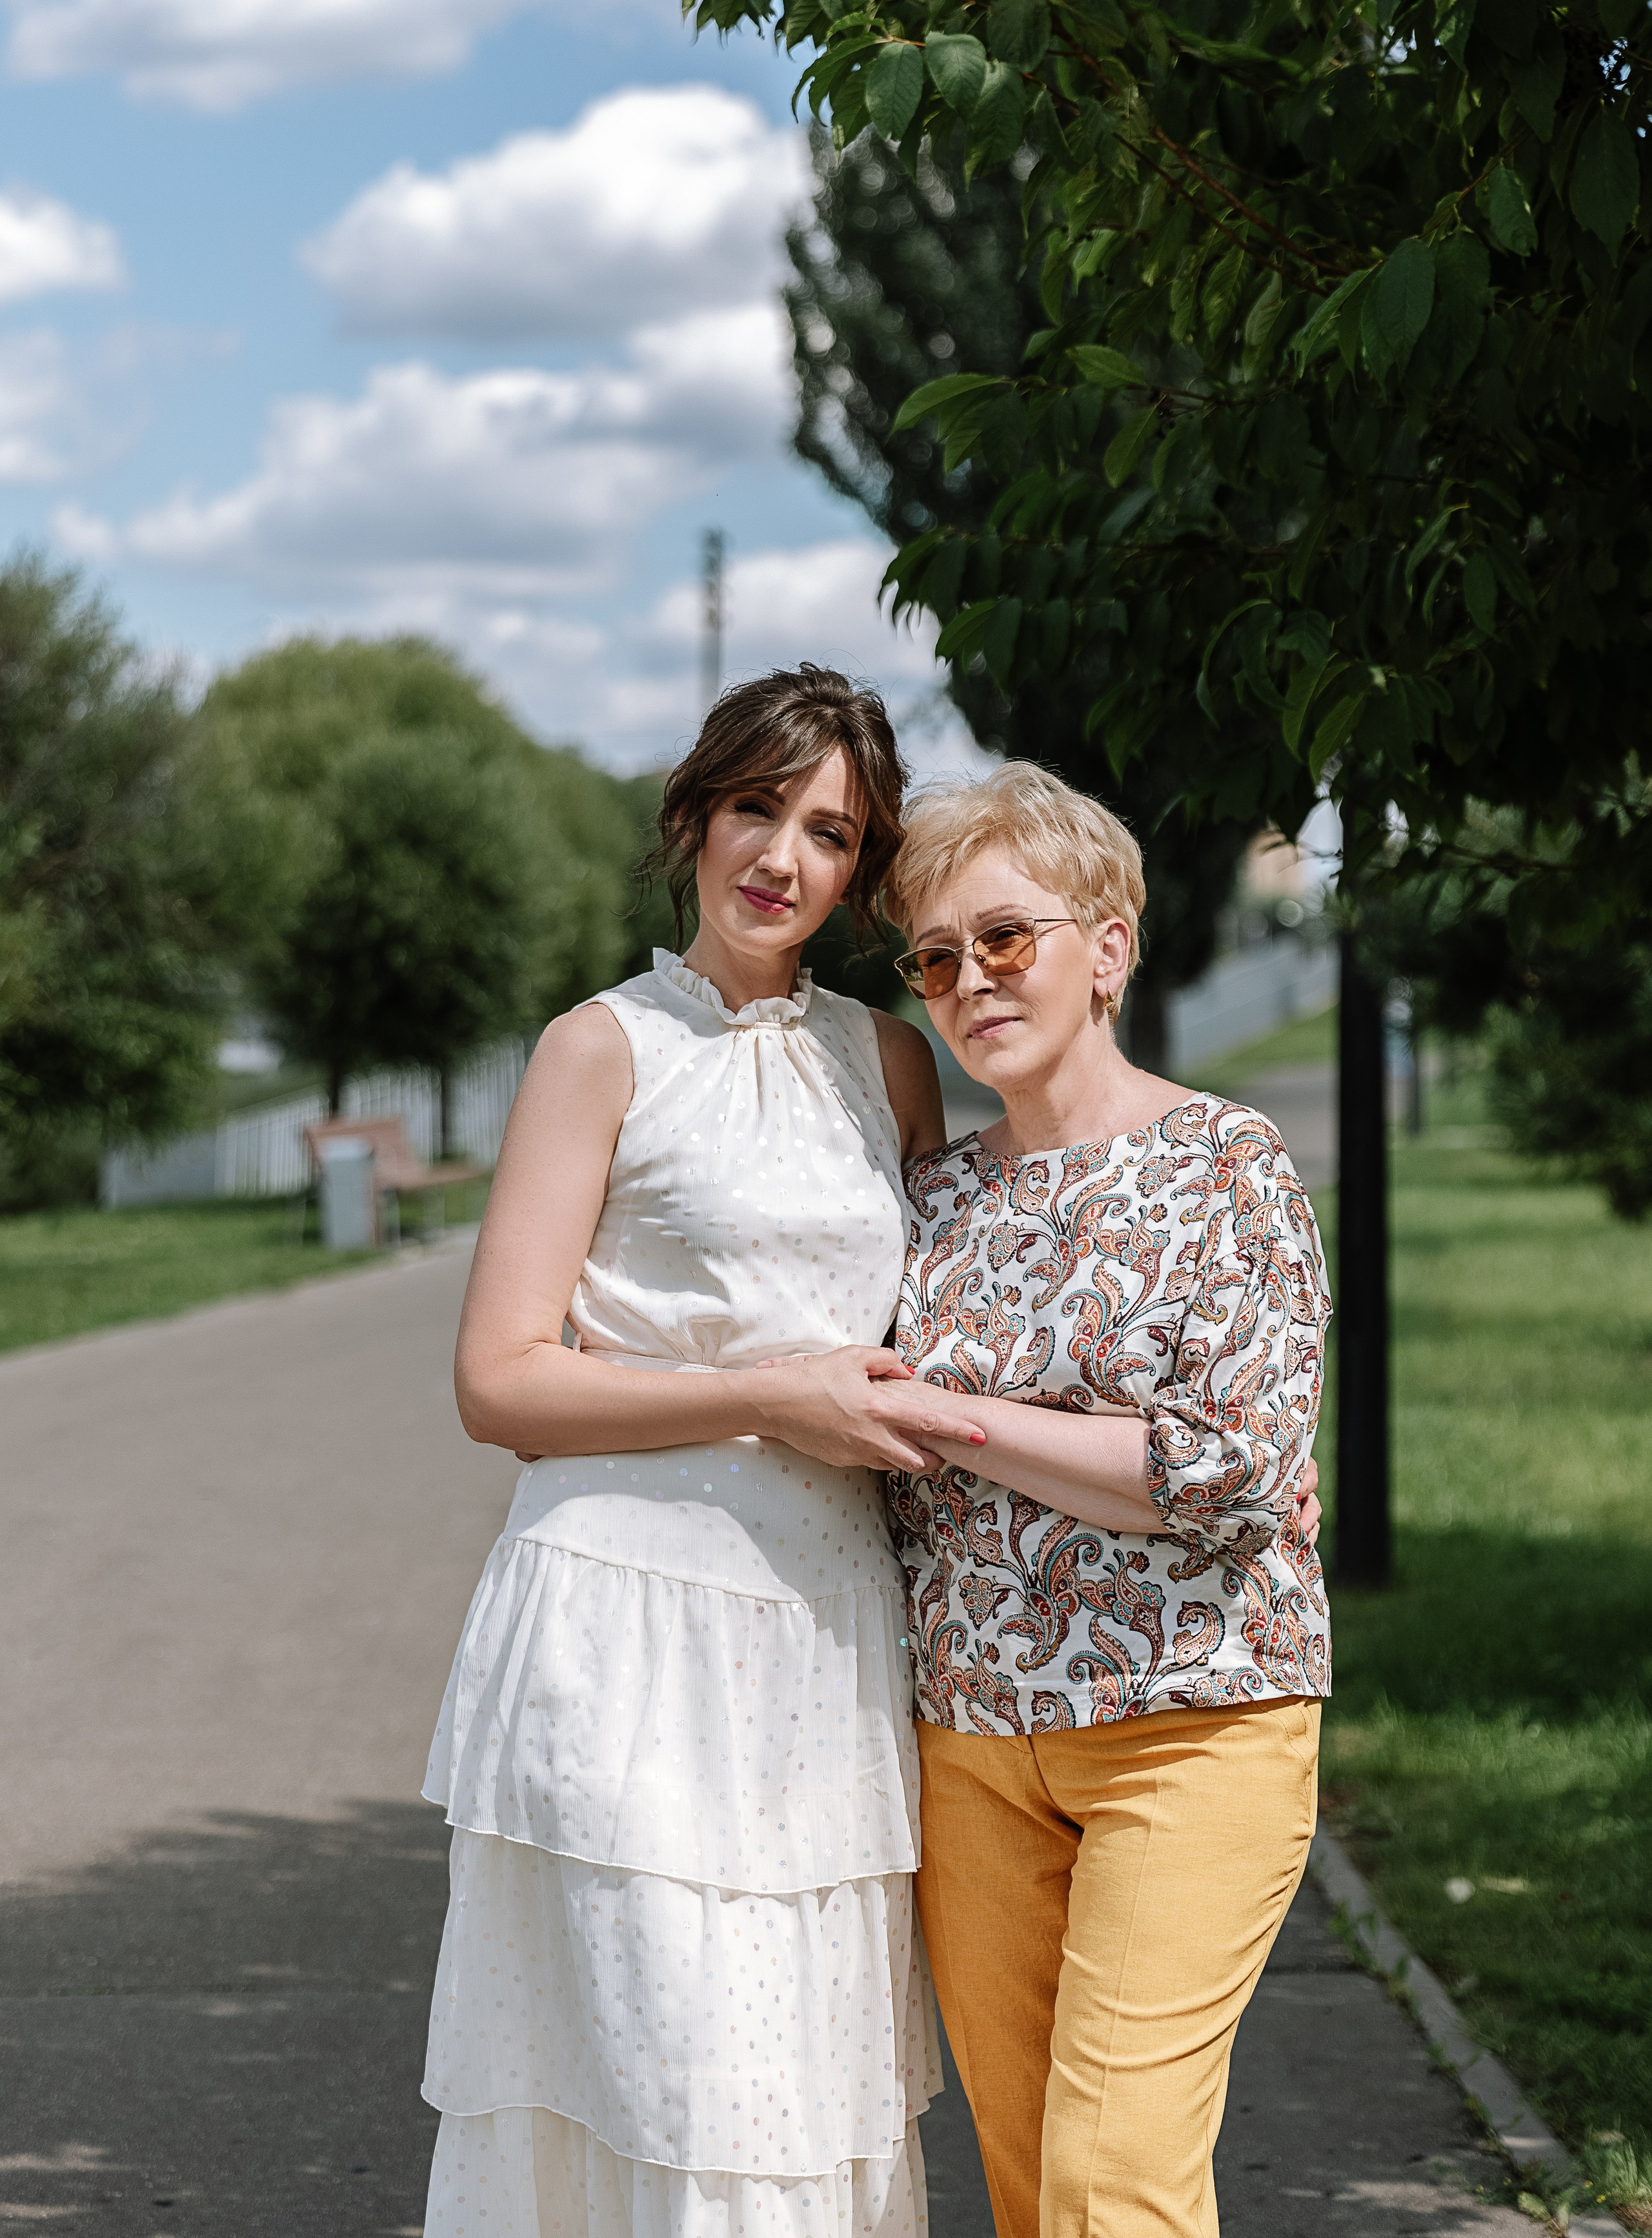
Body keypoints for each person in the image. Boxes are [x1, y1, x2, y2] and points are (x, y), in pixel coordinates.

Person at [418, 665, 964, 2238]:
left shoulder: (890, 1064)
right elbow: (499, 1380)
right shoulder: (600, 1049)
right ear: (694, 814)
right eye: (755, 809)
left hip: (825, 1641)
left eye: (828, 830)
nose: (780, 857)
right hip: (624, 1631)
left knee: (796, 2087)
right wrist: (764, 1395)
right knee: (652, 2075)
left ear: (859, 870)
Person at [875, 762, 1333, 2238]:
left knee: (1106, 2182)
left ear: (1109, 947)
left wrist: (952, 1417)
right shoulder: (933, 1201)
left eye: (1003, 938)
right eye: (935, 958)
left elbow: (1225, 1473)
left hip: (1188, 1730)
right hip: (970, 1745)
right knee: (1026, 2188)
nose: (968, 981)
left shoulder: (1224, 1167)